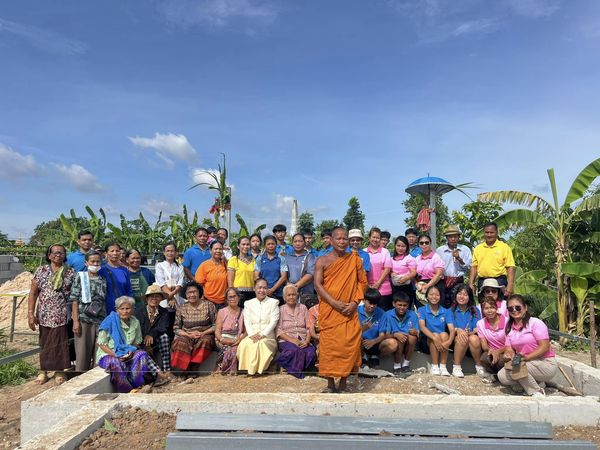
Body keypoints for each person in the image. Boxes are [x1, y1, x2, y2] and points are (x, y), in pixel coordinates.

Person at [315, 227, 367, 393]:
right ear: (331, 240)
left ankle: (343, 383)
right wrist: (333, 302)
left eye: (345, 238)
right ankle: (330, 383)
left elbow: (362, 283)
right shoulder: (322, 260)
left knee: (347, 345)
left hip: (349, 310)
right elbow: (318, 284)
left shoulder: (355, 260)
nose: (342, 241)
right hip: (330, 309)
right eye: (339, 238)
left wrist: (354, 302)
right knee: (329, 346)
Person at [96, 296, 168, 392]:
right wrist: (116, 355)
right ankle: (125, 389)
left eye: (128, 308)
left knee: (142, 354)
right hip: (109, 354)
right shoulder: (109, 321)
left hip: (128, 353)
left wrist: (130, 351)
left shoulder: (135, 322)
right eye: (122, 309)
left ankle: (137, 384)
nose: (125, 311)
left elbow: (137, 343)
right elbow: (102, 344)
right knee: (116, 363)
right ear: (117, 310)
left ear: (133, 309)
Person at [28, 244, 75, 384]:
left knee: (60, 343)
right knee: (45, 341)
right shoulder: (41, 270)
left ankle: (60, 371)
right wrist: (31, 314)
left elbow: (74, 296)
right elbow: (33, 293)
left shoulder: (70, 272)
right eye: (55, 253)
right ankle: (43, 371)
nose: (58, 255)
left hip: (61, 313)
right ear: (49, 256)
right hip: (43, 314)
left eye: (61, 253)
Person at [498, 295, 558, 397]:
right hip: (526, 363)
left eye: (518, 307)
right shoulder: (509, 328)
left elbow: (544, 347)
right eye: (510, 308)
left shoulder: (535, 323)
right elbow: (509, 349)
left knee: (516, 367)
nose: (514, 310)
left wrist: (526, 358)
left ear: (525, 308)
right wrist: (508, 355)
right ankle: (537, 382)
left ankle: (536, 391)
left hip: (545, 363)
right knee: (502, 376)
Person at [70, 251, 107, 373]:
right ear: (86, 263)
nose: (95, 264)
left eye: (98, 261)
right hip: (84, 319)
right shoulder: (80, 277)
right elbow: (74, 299)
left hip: (100, 320)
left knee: (99, 352)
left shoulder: (102, 279)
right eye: (92, 261)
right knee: (83, 354)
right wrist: (75, 321)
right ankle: (80, 379)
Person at [237, 278, 280, 375]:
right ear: (254, 289)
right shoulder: (248, 303)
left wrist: (262, 334)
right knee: (244, 344)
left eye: (265, 288)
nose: (262, 290)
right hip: (252, 335)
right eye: (259, 287)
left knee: (260, 344)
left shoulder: (274, 302)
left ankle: (259, 369)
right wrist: (252, 334)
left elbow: (273, 322)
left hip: (267, 336)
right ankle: (249, 369)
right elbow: (247, 321)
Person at [170, 281, 216, 372]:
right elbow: (176, 328)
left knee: (205, 341)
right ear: (186, 295)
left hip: (205, 334)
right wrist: (188, 335)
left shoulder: (209, 305)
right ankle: (185, 369)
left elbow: (215, 325)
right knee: (180, 343)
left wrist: (203, 333)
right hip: (187, 334)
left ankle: (194, 366)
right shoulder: (181, 308)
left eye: (194, 292)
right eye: (189, 293)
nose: (192, 295)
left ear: (199, 293)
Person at [276, 284, 316, 378]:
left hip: (303, 339)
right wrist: (293, 340)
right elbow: (278, 329)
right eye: (288, 295)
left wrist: (307, 341)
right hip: (286, 340)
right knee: (295, 351)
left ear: (297, 296)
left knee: (311, 352)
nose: (291, 297)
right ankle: (299, 372)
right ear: (284, 297)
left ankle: (291, 368)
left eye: (293, 294)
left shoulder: (303, 308)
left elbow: (308, 326)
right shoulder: (280, 309)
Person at [469, 222, 516, 297]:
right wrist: (471, 283)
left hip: (499, 281)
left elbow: (510, 267)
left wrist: (510, 285)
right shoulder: (478, 248)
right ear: (484, 233)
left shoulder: (504, 247)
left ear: (497, 233)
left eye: (491, 232)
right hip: (482, 281)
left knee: (501, 306)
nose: (489, 235)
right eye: (487, 232)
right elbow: (474, 267)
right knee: (484, 306)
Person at [417, 285, 455, 376]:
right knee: (435, 334)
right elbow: (422, 327)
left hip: (442, 341)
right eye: (431, 294)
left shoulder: (446, 311)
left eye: (437, 295)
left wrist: (449, 342)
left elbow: (452, 329)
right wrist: (434, 338)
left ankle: (443, 366)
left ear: (440, 297)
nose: (434, 297)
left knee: (445, 334)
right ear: (426, 296)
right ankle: (434, 366)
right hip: (427, 340)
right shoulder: (421, 310)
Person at [135, 284, 172, 374]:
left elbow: (163, 327)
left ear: (160, 299)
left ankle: (167, 370)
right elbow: (137, 329)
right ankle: (158, 373)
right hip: (141, 340)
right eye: (151, 297)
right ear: (147, 299)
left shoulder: (164, 312)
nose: (154, 299)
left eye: (157, 296)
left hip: (155, 340)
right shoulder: (138, 312)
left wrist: (151, 334)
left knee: (164, 337)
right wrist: (145, 341)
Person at [380, 292, 419, 376]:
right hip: (394, 343)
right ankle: (396, 366)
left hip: (407, 344)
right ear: (394, 304)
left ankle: (406, 365)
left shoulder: (413, 315)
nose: (402, 308)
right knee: (399, 338)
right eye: (399, 305)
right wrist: (395, 335)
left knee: (412, 337)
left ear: (408, 305)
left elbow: (417, 332)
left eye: (404, 305)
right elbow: (384, 335)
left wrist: (415, 332)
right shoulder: (387, 315)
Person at [450, 284, 484, 378]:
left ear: (469, 297)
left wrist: (470, 332)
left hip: (471, 337)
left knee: (474, 339)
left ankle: (479, 366)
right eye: (459, 294)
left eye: (465, 294)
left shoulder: (475, 310)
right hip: (456, 340)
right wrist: (458, 330)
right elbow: (450, 327)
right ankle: (456, 366)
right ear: (455, 295)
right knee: (462, 337)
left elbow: (477, 327)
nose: (462, 297)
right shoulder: (450, 311)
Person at [436, 225, 472, 306]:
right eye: (450, 237)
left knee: (458, 304)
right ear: (446, 238)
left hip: (458, 281)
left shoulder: (465, 249)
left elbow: (469, 267)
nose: (453, 239)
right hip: (444, 281)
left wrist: (459, 258)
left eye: (455, 236)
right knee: (443, 304)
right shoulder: (440, 250)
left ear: (459, 237)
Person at [215, 288, 247, 374]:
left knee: (234, 350)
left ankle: (231, 370)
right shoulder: (222, 312)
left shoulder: (244, 312)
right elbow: (217, 331)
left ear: (239, 297)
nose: (233, 299)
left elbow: (246, 331)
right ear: (226, 299)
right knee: (227, 349)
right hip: (222, 338)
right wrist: (223, 340)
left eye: (234, 296)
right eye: (230, 297)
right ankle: (221, 368)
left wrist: (239, 340)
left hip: (237, 338)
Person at [364, 227, 393, 311]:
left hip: (383, 289)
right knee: (370, 314)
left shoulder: (385, 252)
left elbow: (387, 269)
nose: (375, 239)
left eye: (377, 238)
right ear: (369, 238)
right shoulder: (363, 252)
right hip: (368, 289)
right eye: (373, 237)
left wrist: (378, 283)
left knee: (384, 314)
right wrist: (367, 285)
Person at [476, 297, 506, 376]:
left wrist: (498, 352)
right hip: (491, 351)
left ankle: (505, 376)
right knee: (484, 358)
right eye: (486, 308)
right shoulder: (480, 324)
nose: (489, 311)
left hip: (507, 350)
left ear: (496, 308)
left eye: (492, 307)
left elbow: (512, 344)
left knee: (501, 361)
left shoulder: (507, 321)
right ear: (482, 310)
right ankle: (495, 374)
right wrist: (491, 350)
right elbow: (484, 345)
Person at [99, 242, 132, 313]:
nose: (115, 253)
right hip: (105, 308)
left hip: (122, 309)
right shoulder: (101, 270)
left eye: (117, 251)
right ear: (106, 253)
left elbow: (128, 290)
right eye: (112, 251)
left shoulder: (125, 270)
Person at [254, 235, 288, 302]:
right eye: (268, 244)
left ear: (276, 245)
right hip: (263, 293)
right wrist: (264, 289)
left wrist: (272, 289)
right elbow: (256, 276)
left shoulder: (281, 258)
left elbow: (284, 277)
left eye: (273, 244)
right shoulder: (259, 258)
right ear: (264, 246)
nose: (271, 246)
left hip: (278, 294)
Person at [358, 288, 386, 369]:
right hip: (360, 343)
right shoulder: (356, 311)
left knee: (392, 344)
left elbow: (382, 335)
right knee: (357, 337)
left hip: (375, 343)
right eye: (370, 303)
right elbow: (351, 332)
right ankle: (363, 357)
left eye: (375, 304)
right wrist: (363, 329)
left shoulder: (381, 313)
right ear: (364, 300)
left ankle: (374, 356)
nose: (372, 306)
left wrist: (373, 341)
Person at [415, 234, 446, 307]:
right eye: (421, 243)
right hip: (421, 288)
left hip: (435, 285)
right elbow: (413, 274)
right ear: (418, 245)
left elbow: (438, 275)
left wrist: (427, 286)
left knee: (436, 310)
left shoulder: (436, 257)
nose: (424, 244)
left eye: (426, 242)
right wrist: (416, 285)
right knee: (422, 311)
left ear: (430, 244)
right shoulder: (417, 259)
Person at [196, 240, 228, 308]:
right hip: (208, 301)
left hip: (223, 302)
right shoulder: (204, 265)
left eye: (220, 249)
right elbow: (199, 285)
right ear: (210, 251)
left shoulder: (226, 264)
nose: (218, 251)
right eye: (216, 249)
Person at [285, 233, 316, 302]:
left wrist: (295, 286)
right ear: (292, 243)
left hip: (305, 295)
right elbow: (284, 274)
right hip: (290, 294)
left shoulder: (310, 257)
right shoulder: (287, 257)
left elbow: (311, 274)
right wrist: (288, 285)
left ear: (304, 243)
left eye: (300, 241)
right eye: (295, 241)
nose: (297, 244)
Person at [227, 236, 256, 307]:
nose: (245, 246)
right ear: (238, 246)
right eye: (243, 244)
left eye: (247, 244)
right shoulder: (233, 260)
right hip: (238, 293)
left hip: (252, 293)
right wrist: (232, 294)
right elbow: (230, 280)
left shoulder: (254, 260)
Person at [390, 236, 417, 305]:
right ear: (395, 246)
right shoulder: (391, 259)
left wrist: (406, 278)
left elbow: (413, 272)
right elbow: (389, 270)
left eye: (403, 246)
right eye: (398, 246)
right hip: (394, 287)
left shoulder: (409, 258)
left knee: (406, 307)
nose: (400, 248)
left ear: (407, 247)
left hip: (406, 287)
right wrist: (391, 273)